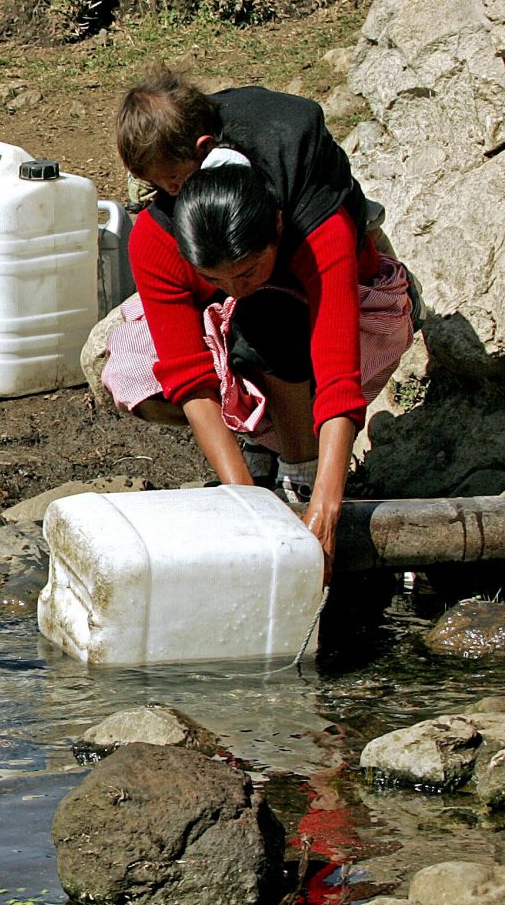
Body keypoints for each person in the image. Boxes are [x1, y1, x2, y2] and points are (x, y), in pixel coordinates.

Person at [99, 68, 417, 571]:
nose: (234, 289)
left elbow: (338, 372)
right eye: (216, 278)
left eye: (247, 270)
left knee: (264, 319)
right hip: (241, 326)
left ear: (275, 226)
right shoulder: (156, 237)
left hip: (332, 305)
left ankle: (300, 465)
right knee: (134, 370)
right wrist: (245, 506)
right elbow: (189, 376)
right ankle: (257, 450)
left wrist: (326, 506)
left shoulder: (314, 221)